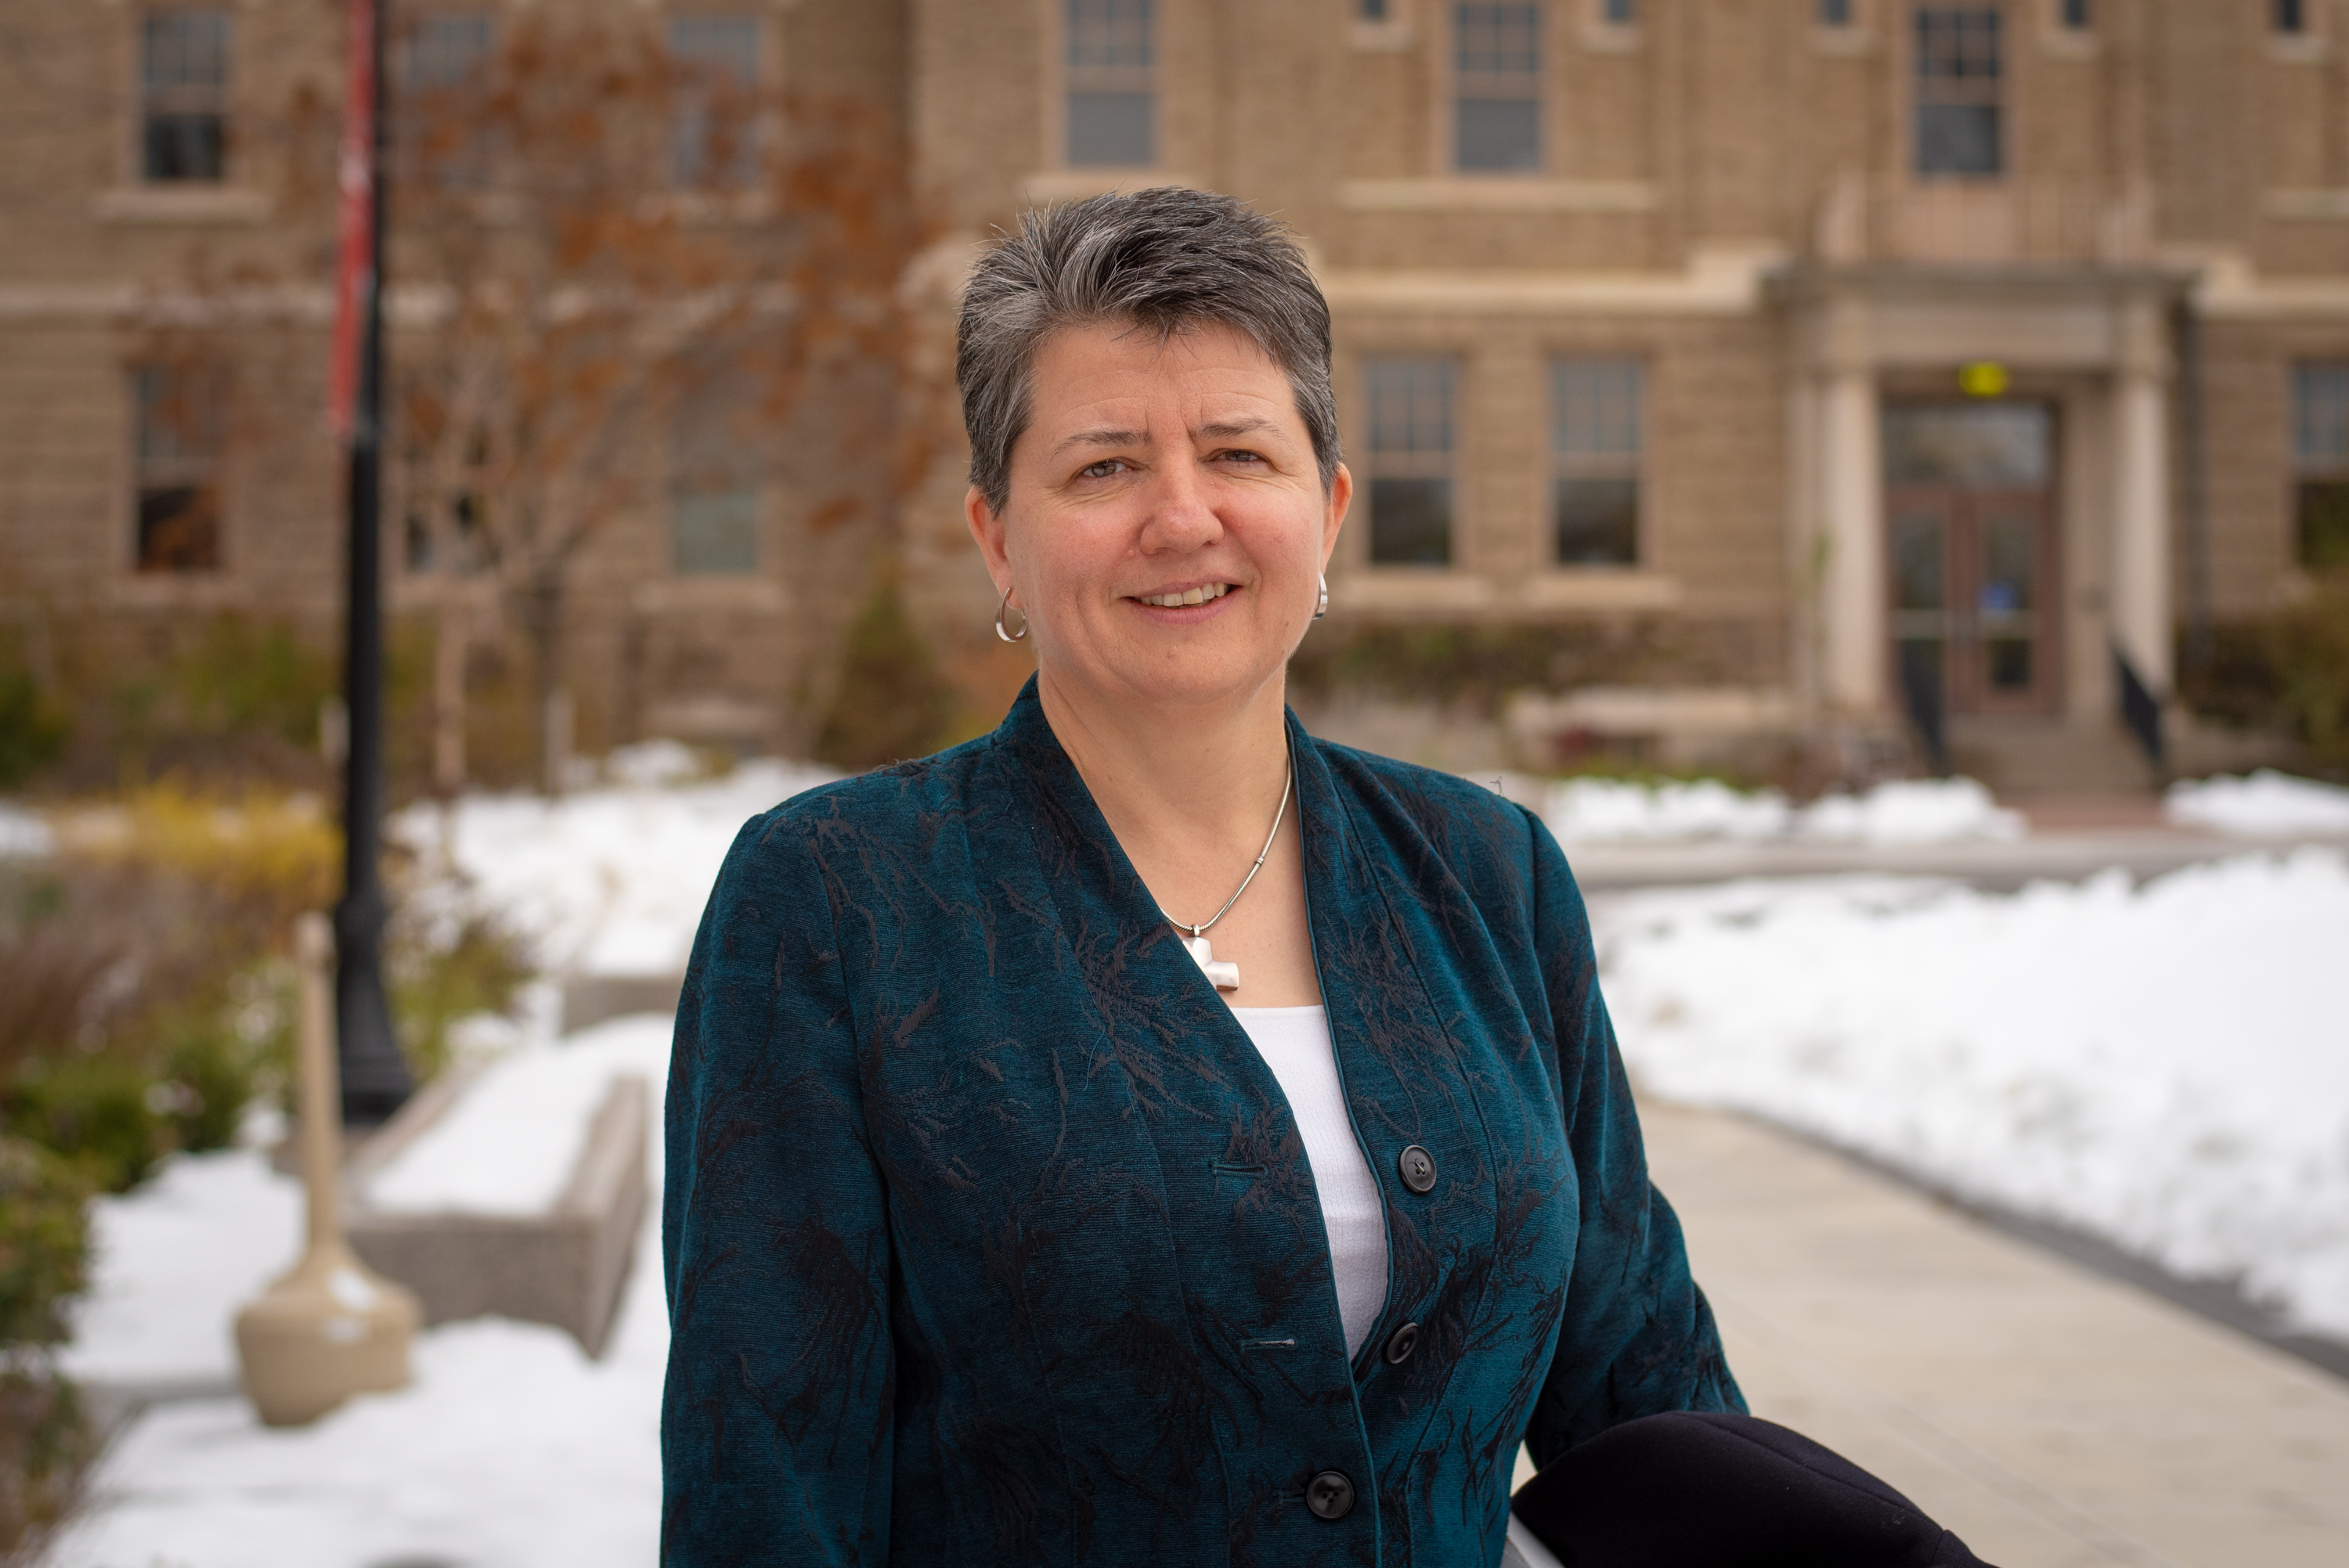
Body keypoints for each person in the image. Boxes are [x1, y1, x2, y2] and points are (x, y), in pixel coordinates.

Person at [662, 188, 1984, 1567]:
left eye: (1240, 453)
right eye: (1104, 468)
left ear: (1331, 507)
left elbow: (1652, 1401)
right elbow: (763, 1484)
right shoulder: (837, 904)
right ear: (999, 536)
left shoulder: (1488, 878)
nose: (1184, 517)